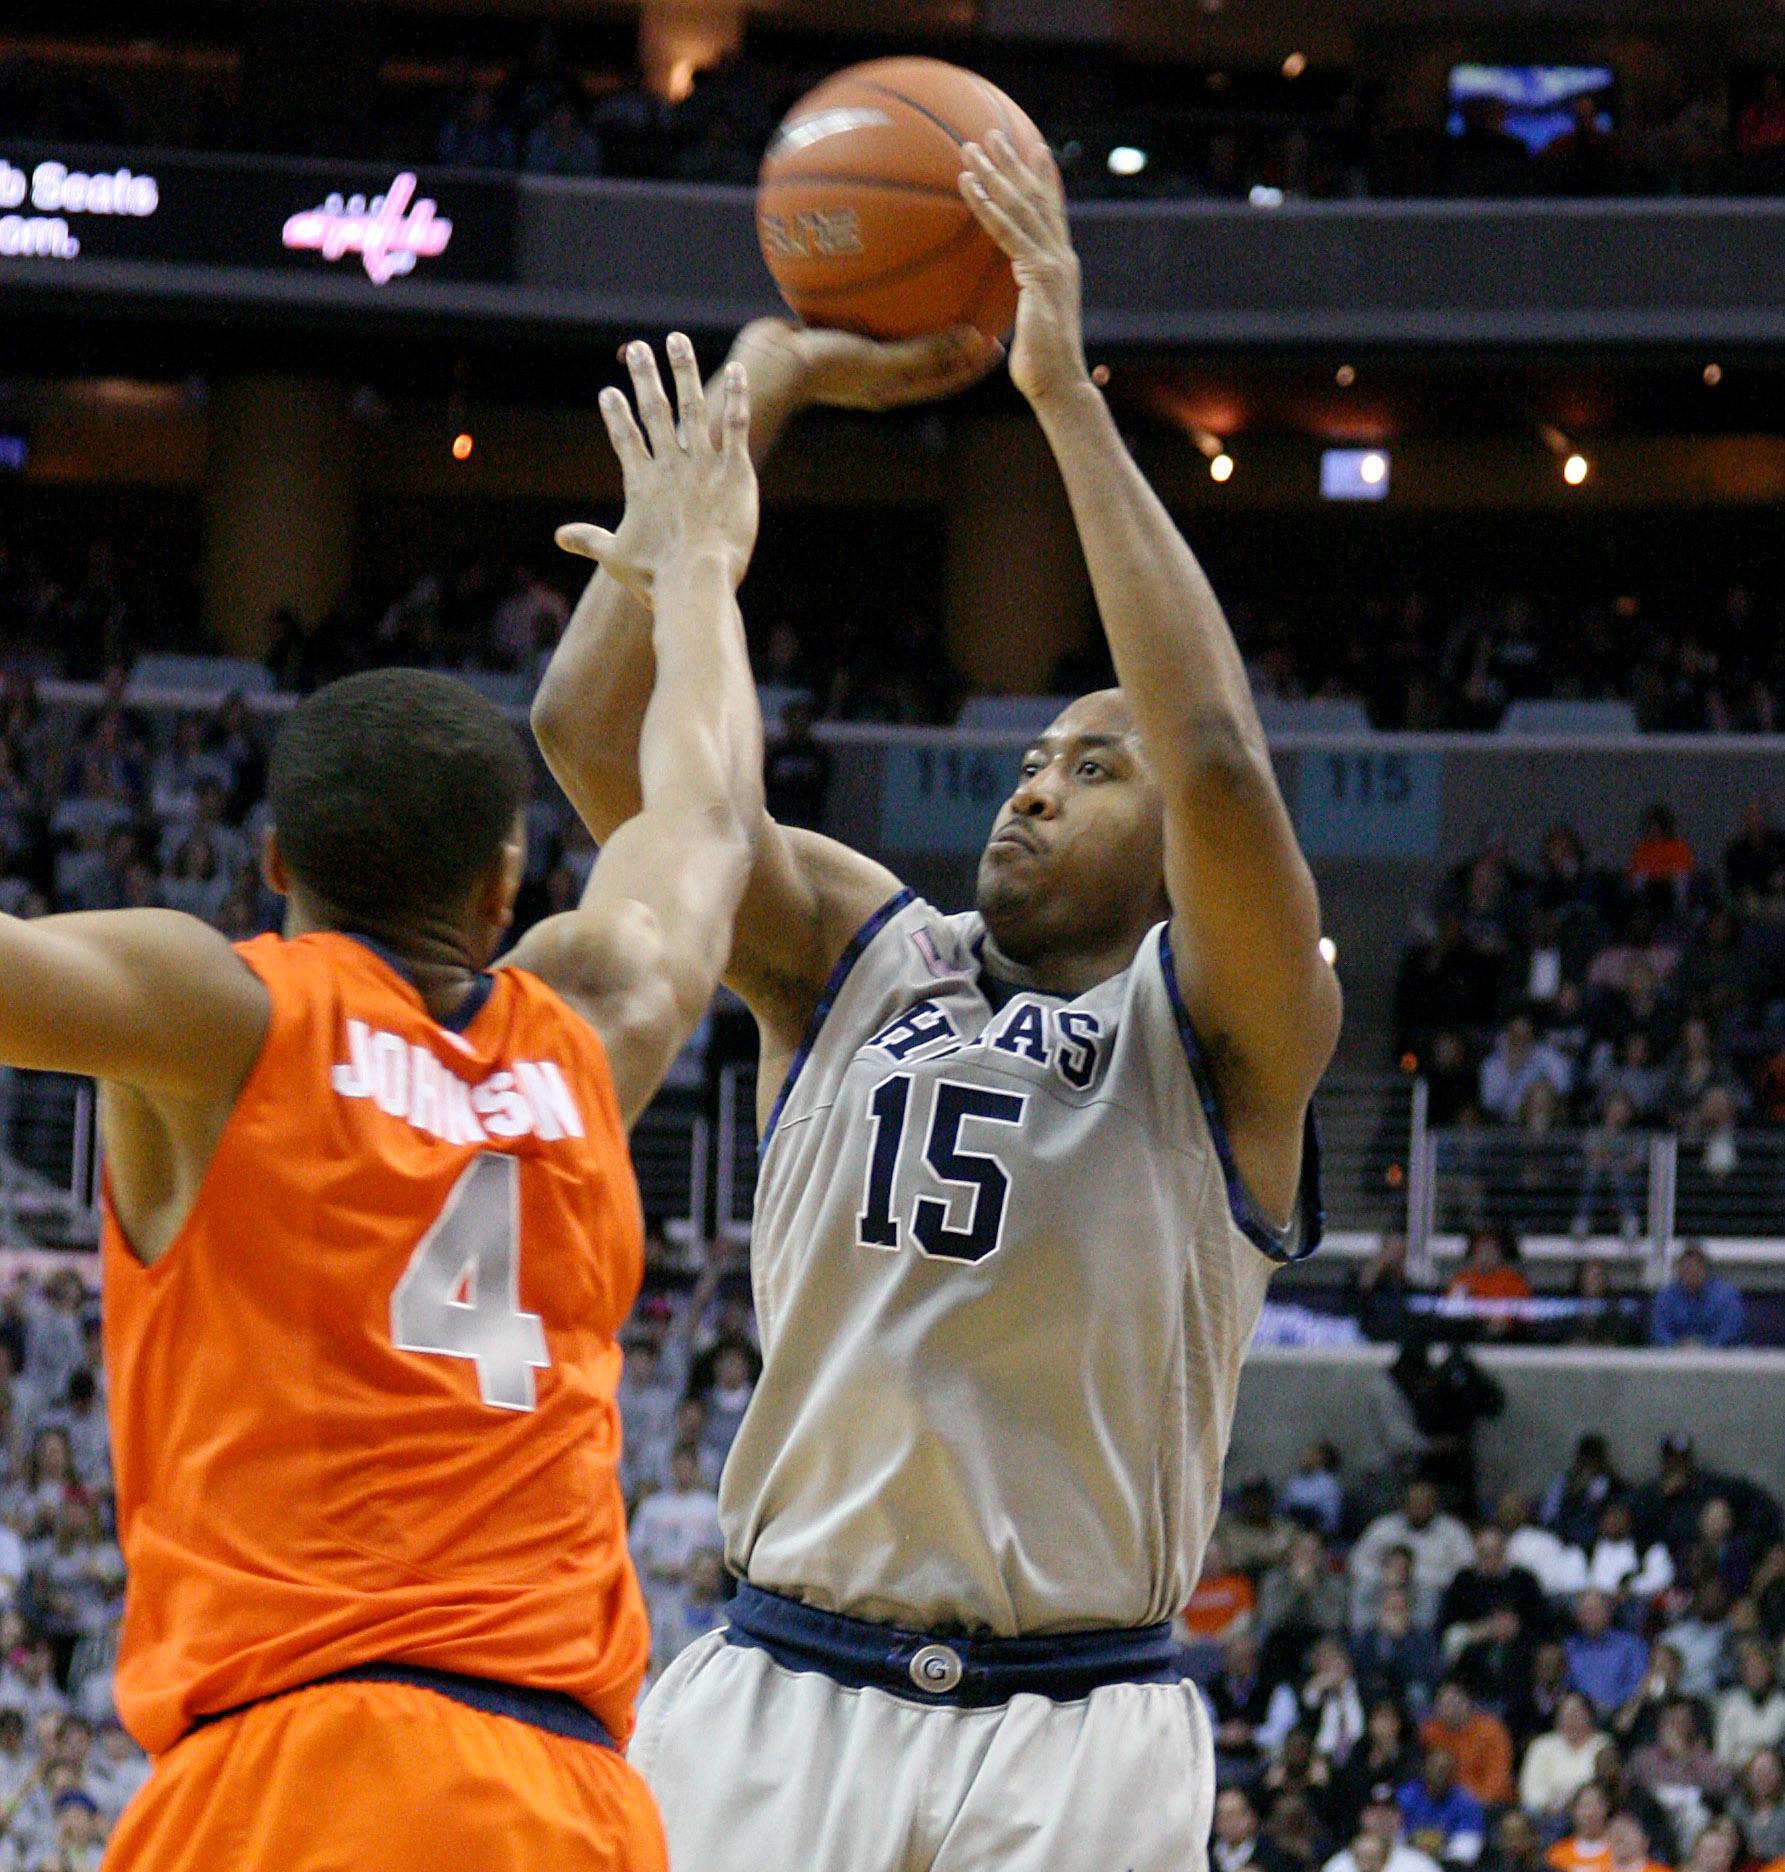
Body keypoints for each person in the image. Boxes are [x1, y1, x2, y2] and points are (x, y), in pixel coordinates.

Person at [531, 132, 1339, 1872]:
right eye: (1036, 755)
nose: (1036, 786)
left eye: (1091, 768)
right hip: (783, 1686)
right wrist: (756, 405)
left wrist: (1058, 391)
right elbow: (591, 743)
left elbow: (1212, 749)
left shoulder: (1232, 1032)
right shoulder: (853, 942)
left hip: (1077, 1720)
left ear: (1173, 844)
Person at [6, 337, 767, 1870]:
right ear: (504, 885)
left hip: (295, 1767)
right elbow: (707, 819)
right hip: (563, 1794)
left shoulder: (218, 1012)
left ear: (273, 868)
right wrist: (697, 574)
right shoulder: (592, 1032)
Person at [1522, 1692, 1611, 1824]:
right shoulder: (1542, 1745)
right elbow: (1530, 1791)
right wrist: (1548, 1807)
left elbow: (1606, 1786)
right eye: (1566, 1715)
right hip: (1547, 1816)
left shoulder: (1602, 1744)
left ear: (1590, 1716)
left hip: (1590, 1815)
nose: (1572, 1720)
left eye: (1577, 1714)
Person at [1649, 1244, 1746, 1349]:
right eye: (1686, 1270)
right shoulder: (1664, 1297)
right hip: (1673, 1358)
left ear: (1705, 1270)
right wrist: (1677, 1348)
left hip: (1719, 1358)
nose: (1690, 1274)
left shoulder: (1727, 1296)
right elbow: (1659, 1332)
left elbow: (1730, 1333)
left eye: (1695, 1269)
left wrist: (1705, 1349)